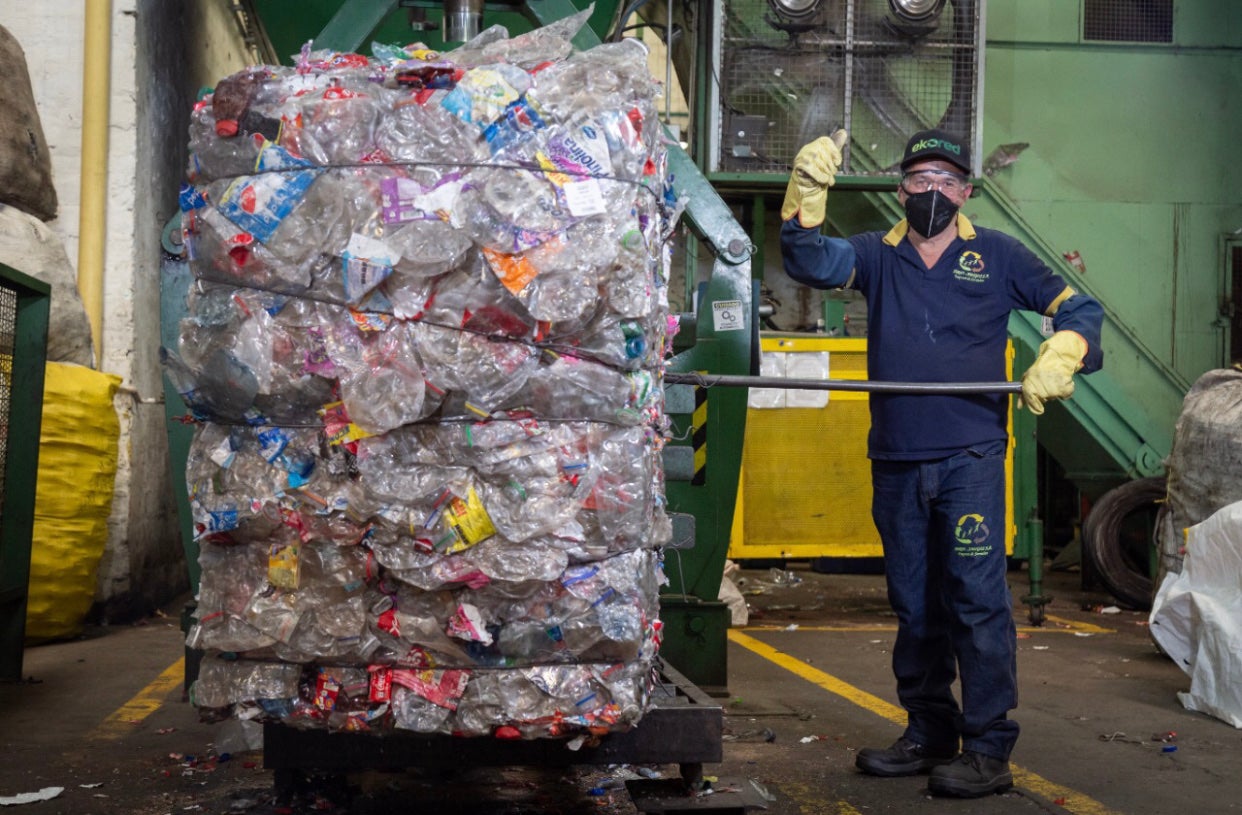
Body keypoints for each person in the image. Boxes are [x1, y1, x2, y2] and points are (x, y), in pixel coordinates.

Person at [779, 128, 1104, 798]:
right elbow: (810, 260)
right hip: (896, 457)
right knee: (914, 603)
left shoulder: (999, 255)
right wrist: (806, 193)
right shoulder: (874, 254)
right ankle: (930, 730)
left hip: (970, 455)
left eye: (946, 181)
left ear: (967, 192)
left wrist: (1064, 349)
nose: (933, 192)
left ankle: (987, 747)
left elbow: (1079, 307)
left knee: (976, 600)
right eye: (920, 180)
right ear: (901, 190)